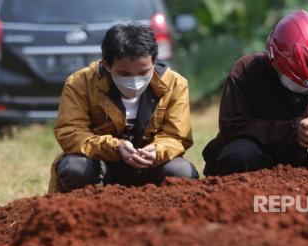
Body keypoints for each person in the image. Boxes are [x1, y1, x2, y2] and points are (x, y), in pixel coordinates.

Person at [202, 10, 308, 179]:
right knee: (238, 155)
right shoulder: (246, 71)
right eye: (297, 85)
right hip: (263, 157)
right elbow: (232, 126)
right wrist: (292, 131)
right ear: (274, 60)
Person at [48, 23, 198, 193]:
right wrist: (115, 147)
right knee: (75, 168)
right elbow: (70, 132)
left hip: (151, 165)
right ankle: (89, 212)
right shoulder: (80, 83)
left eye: (143, 73)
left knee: (182, 172)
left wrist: (156, 152)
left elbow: (177, 136)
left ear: (154, 61)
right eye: (124, 74)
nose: (135, 82)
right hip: (101, 164)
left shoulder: (175, 84)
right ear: (106, 64)